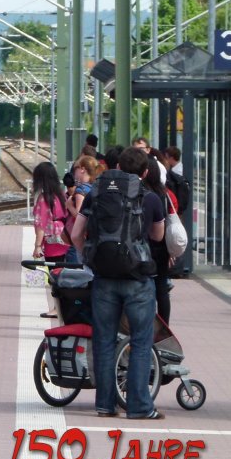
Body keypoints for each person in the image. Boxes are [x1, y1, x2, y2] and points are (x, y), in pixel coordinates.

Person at [70, 146, 166, 420]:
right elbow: (158, 237)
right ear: (145, 172)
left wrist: (86, 258)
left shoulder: (96, 194)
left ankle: (104, 404)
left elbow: (77, 233)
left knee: (104, 339)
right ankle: (138, 406)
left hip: (103, 278)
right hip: (137, 279)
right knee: (140, 341)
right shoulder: (150, 199)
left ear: (119, 169)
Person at [31, 162, 69, 318]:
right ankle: (63, 306)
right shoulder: (61, 195)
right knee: (65, 273)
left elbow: (41, 225)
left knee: (53, 275)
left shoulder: (43, 198)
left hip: (52, 241)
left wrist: (37, 246)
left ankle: (56, 308)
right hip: (65, 237)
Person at [144, 154, 178, 324]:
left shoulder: (142, 194)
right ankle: (165, 326)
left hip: (146, 246)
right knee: (162, 288)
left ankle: (149, 324)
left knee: (145, 287)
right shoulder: (164, 194)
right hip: (162, 246)